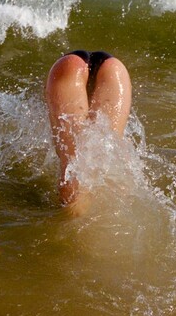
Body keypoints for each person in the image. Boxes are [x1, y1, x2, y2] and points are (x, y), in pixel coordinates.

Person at [45, 50, 132, 210]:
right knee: (103, 164)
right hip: (115, 69)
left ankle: (74, 214)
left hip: (67, 66)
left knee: (73, 169)